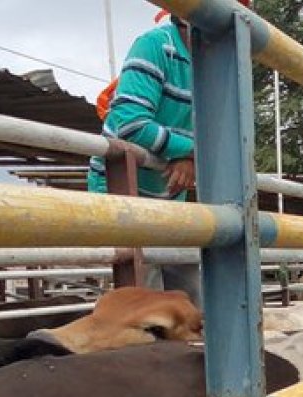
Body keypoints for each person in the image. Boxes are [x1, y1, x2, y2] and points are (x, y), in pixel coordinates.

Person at [87, 10, 209, 304]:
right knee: (147, 303)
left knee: (192, 301)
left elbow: (221, 134)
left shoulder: (213, 64)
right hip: (123, 189)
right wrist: (191, 151)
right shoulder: (156, 46)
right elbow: (130, 125)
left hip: (167, 194)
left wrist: (189, 158)